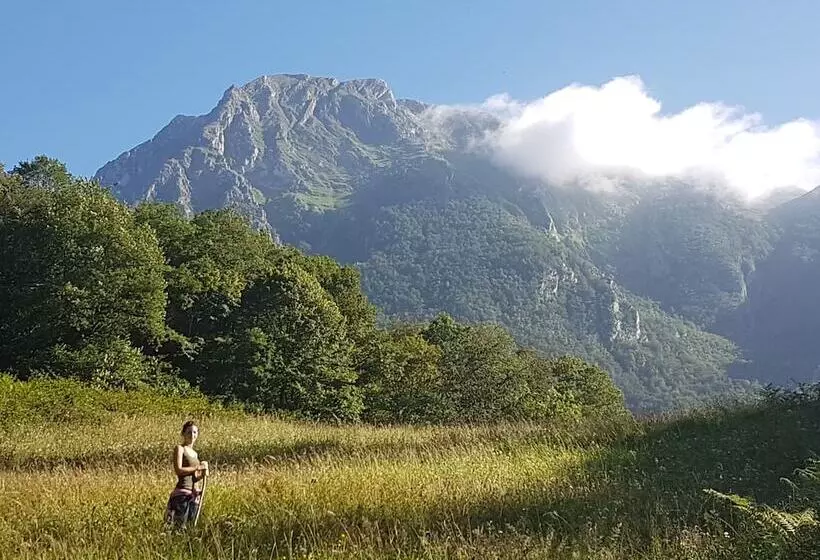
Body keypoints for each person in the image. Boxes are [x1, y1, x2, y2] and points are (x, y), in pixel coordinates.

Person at [164, 420, 209, 528]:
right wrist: (198, 467)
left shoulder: (195, 453)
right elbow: (179, 470)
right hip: (182, 494)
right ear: (183, 434)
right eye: (189, 432)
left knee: (189, 527)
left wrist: (203, 473)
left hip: (193, 496)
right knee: (178, 527)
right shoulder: (180, 449)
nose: (192, 435)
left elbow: (193, 477)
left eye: (194, 432)